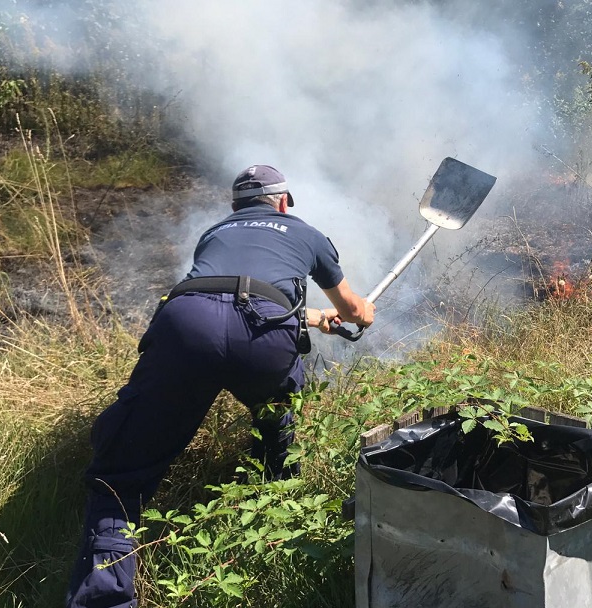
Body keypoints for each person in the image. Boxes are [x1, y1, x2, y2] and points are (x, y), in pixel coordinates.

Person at [66, 164, 375, 608]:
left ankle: (103, 598)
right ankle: (275, 497)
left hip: (186, 320)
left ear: (235, 206)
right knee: (278, 409)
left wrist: (305, 316)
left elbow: (224, 294)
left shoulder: (214, 232)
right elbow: (351, 309)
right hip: (263, 338)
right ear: (284, 202)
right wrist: (364, 312)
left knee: (122, 470)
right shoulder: (306, 233)